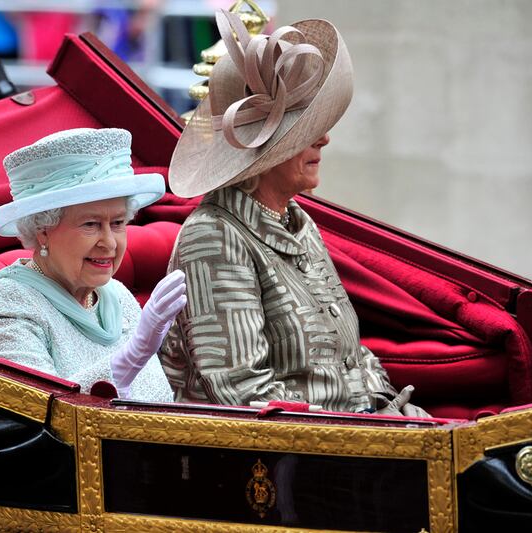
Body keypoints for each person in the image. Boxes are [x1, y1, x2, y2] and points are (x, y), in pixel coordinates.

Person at [159, 10, 429, 417]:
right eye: (303, 132)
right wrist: (368, 430)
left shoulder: (299, 223)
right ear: (264, 154)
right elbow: (241, 391)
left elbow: (350, 357)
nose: (324, 137)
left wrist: (392, 407)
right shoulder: (213, 237)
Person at [0, 128, 185, 401]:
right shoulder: (4, 303)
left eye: (119, 223)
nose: (109, 243)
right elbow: (36, 413)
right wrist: (125, 363)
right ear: (43, 230)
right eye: (91, 224)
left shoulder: (117, 295)